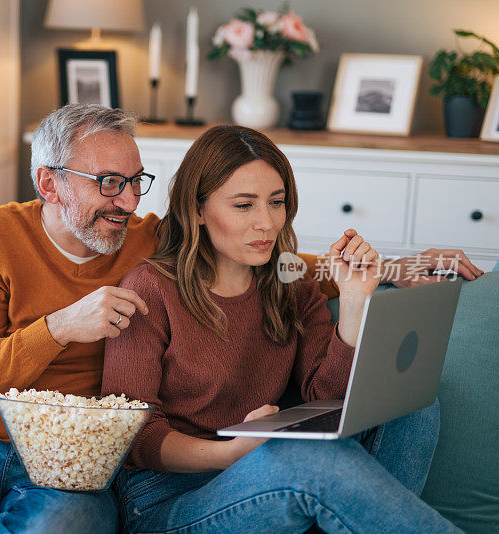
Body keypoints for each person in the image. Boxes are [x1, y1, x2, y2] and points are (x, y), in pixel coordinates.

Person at [0, 105, 481, 533]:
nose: (128, 201)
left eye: (137, 181)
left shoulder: (148, 238)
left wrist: (402, 269)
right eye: (109, 182)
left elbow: (265, 252)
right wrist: (61, 327)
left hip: (84, 463)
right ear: (49, 182)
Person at [101, 125, 464, 533]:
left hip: (263, 470)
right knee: (307, 460)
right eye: (244, 205)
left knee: (414, 405)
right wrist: (232, 454)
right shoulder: (148, 288)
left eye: (276, 202)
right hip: (166, 496)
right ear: (198, 210)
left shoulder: (290, 282)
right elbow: (131, 437)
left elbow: (327, 399)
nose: (267, 224)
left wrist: (356, 301)